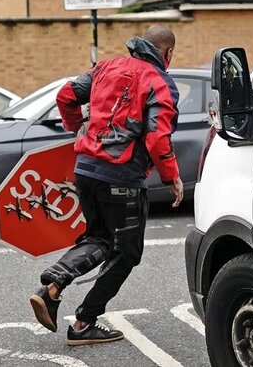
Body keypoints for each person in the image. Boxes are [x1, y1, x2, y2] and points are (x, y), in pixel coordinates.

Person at [29, 25, 183, 346]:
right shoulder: (159, 81)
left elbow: (66, 96)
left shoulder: (105, 67)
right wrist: (171, 177)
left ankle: (53, 288)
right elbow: (157, 137)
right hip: (122, 176)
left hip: (85, 169)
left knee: (99, 238)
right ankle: (85, 321)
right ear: (167, 53)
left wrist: (77, 129)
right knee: (127, 253)